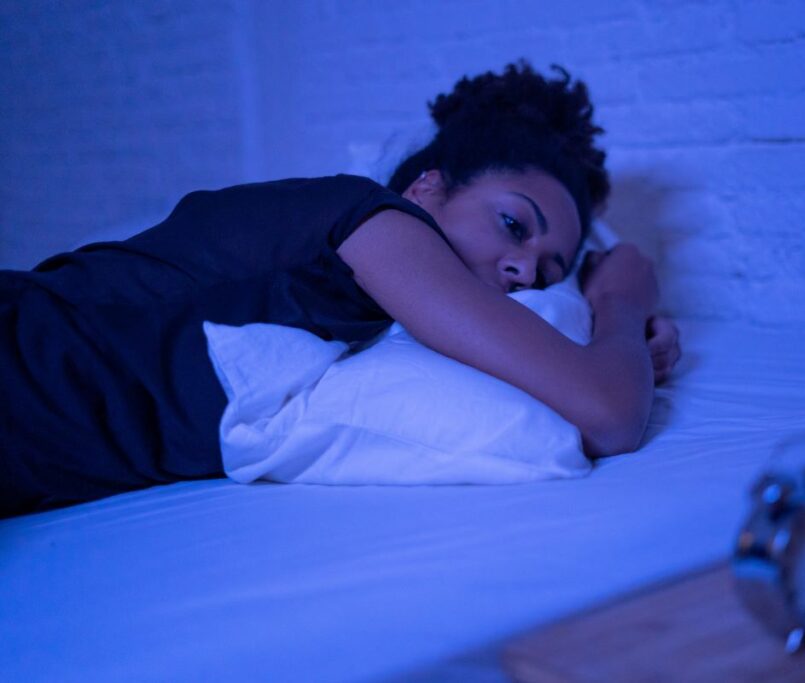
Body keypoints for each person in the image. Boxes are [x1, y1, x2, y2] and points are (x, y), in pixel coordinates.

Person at [0, 61, 681, 518]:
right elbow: (609, 412)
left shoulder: (369, 299)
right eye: (513, 224)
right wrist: (621, 300)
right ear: (427, 186)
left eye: (551, 267)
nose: (525, 269)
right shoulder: (374, 221)